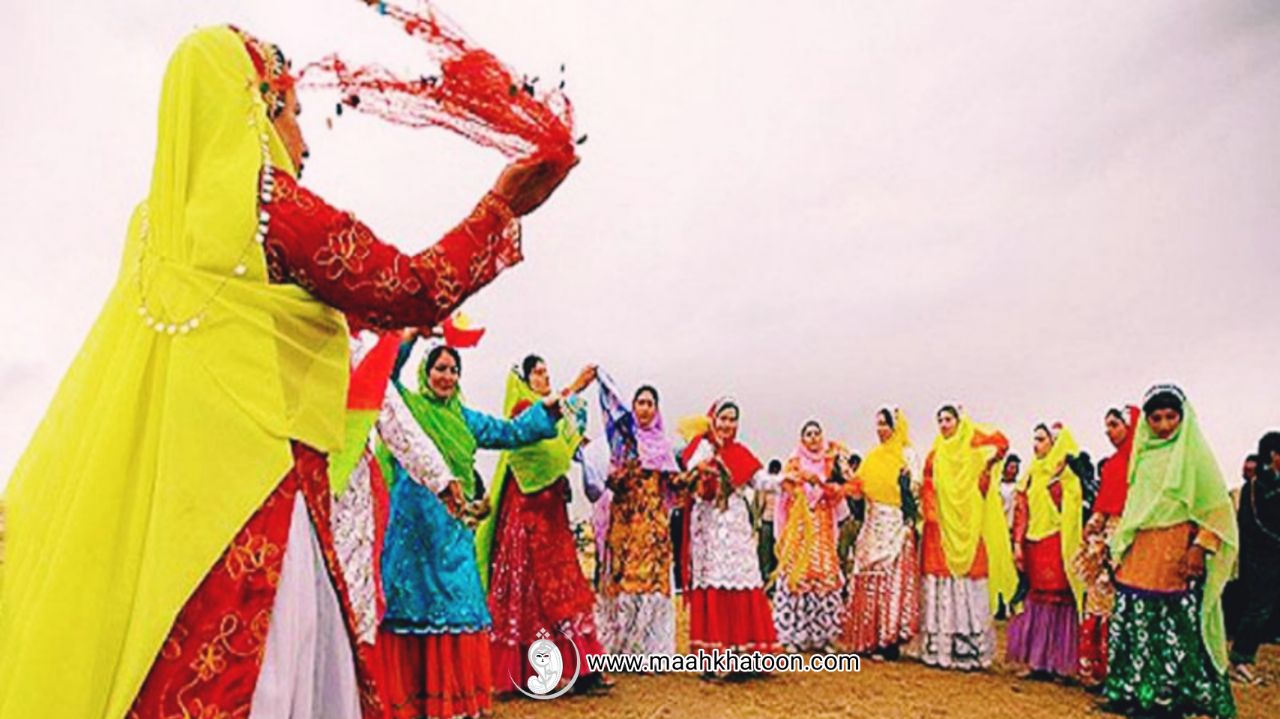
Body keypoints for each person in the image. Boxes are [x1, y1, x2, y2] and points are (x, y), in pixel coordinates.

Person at [0, 26, 574, 719]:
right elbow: (408, 287)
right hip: (260, 508)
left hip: (170, 517)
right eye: (293, 113)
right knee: (273, 679)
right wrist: (501, 207)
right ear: (256, 108)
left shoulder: (151, 230)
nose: (305, 138)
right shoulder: (268, 204)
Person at [380, 338, 564, 719]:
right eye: (440, 368)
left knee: (460, 604)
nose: (446, 376)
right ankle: (412, 703)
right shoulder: (408, 409)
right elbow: (384, 374)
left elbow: (511, 432)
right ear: (425, 373)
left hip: (452, 530)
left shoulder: (465, 419)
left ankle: (456, 704)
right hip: (411, 530)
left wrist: (544, 411)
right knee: (412, 609)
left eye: (453, 370)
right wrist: (412, 333)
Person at [478, 356, 613, 695]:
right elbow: (540, 450)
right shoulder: (523, 410)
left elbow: (557, 450)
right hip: (527, 515)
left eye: (546, 372)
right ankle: (537, 670)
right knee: (530, 590)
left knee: (564, 585)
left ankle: (579, 668)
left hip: (551, 512)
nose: (544, 377)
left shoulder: (542, 411)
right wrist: (576, 389)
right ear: (524, 379)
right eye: (537, 372)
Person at [1104, 384, 1237, 719]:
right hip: (1139, 554)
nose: (1163, 425)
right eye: (1156, 418)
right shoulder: (1143, 455)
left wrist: (1199, 548)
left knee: (1172, 627)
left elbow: (1215, 511)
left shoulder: (1194, 456)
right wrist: (1119, 549)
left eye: (1171, 417)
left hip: (1176, 554)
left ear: (1183, 417)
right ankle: (1133, 693)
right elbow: (1135, 507)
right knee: (1136, 623)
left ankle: (1171, 698)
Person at [679, 399, 782, 675]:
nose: (727, 425)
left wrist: (787, 480)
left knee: (742, 580)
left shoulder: (740, 453)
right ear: (713, 419)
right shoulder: (701, 447)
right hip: (708, 526)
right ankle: (713, 657)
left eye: (732, 419)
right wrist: (706, 464)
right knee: (713, 582)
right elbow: (691, 472)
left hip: (735, 525)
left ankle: (745, 653)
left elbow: (760, 480)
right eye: (723, 418)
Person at [594, 376, 692, 656]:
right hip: (625, 522)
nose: (645, 408)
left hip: (652, 524)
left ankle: (650, 651)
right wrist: (620, 475)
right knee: (623, 582)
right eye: (641, 402)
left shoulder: (663, 446)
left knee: (651, 585)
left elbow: (673, 484)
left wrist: (691, 478)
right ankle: (621, 649)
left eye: (650, 403)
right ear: (633, 406)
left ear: (657, 409)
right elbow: (609, 479)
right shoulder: (622, 441)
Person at [918, 405, 1017, 671]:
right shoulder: (934, 455)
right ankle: (941, 649)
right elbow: (927, 487)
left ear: (958, 422)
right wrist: (931, 515)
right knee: (943, 584)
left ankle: (968, 650)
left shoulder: (973, 453)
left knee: (967, 583)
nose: (943, 424)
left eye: (949, 419)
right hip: (940, 528)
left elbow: (1001, 444)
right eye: (939, 420)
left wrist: (971, 432)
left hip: (969, 527)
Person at [840, 408, 920, 661]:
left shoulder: (908, 455)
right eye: (878, 424)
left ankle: (889, 641)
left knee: (890, 577)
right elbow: (859, 491)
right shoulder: (872, 458)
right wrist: (847, 478)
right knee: (867, 573)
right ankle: (868, 638)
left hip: (895, 522)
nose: (880, 429)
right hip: (873, 522)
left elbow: (915, 490)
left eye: (885, 424)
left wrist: (909, 514)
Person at [1006, 424, 1084, 681]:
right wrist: (1018, 544)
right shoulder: (1029, 475)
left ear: (1055, 444)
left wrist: (1057, 483)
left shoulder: (1068, 478)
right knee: (1035, 599)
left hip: (1058, 543)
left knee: (1061, 601)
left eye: (1041, 439)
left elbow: (1072, 512)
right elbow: (1021, 512)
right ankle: (1036, 660)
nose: (1035, 445)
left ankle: (1061, 664)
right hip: (1033, 543)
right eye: (1034, 439)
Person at [1073, 406, 1138, 690]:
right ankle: (1098, 669)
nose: (1109, 432)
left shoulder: (1143, 465)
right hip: (1107, 542)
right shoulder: (1112, 465)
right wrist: (1093, 526)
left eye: (1114, 424)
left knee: (1124, 605)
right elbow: (1103, 506)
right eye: (1107, 426)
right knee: (1099, 601)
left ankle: (1123, 673)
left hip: (1136, 540)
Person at [772, 421, 851, 653]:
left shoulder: (831, 463)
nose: (814, 438)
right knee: (797, 578)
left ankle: (824, 637)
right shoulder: (794, 463)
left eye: (817, 434)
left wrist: (824, 486)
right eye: (809, 434)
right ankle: (792, 636)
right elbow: (784, 496)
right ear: (802, 438)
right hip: (800, 529)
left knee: (824, 578)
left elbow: (839, 494)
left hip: (823, 528)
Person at [1228, 432, 1280, 685]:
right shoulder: (1256, 487)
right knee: (1258, 609)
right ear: (1273, 455)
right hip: (1260, 559)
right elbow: (1252, 524)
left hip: (1274, 558)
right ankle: (1240, 659)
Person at [755, 459, 785, 588]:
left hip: (767, 521)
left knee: (765, 552)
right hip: (780, 524)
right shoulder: (782, 485)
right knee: (777, 553)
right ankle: (776, 581)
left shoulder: (766, 486)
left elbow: (760, 504)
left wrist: (756, 521)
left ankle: (766, 579)